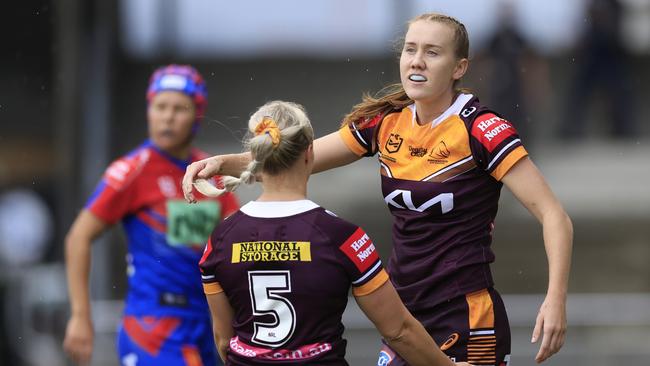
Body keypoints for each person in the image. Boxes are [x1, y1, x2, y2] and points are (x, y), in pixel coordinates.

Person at [183, 12, 573, 366]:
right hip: (403, 314)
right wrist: (224, 162)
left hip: (465, 316)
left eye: (432, 52)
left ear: (460, 67)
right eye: (410, 50)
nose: (417, 60)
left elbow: (554, 216)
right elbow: (299, 155)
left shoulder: (482, 129)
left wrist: (555, 300)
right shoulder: (387, 123)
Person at [195, 100, 470, 366]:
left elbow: (224, 342)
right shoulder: (343, 237)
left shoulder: (220, 239)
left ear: (256, 159)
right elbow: (398, 331)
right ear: (309, 154)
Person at [63, 64, 240, 366]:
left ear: (197, 114)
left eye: (179, 108)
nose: (167, 117)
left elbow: (238, 240)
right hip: (154, 325)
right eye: (159, 106)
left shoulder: (208, 171)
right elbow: (78, 237)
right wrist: (80, 316)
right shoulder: (132, 170)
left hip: (209, 323)